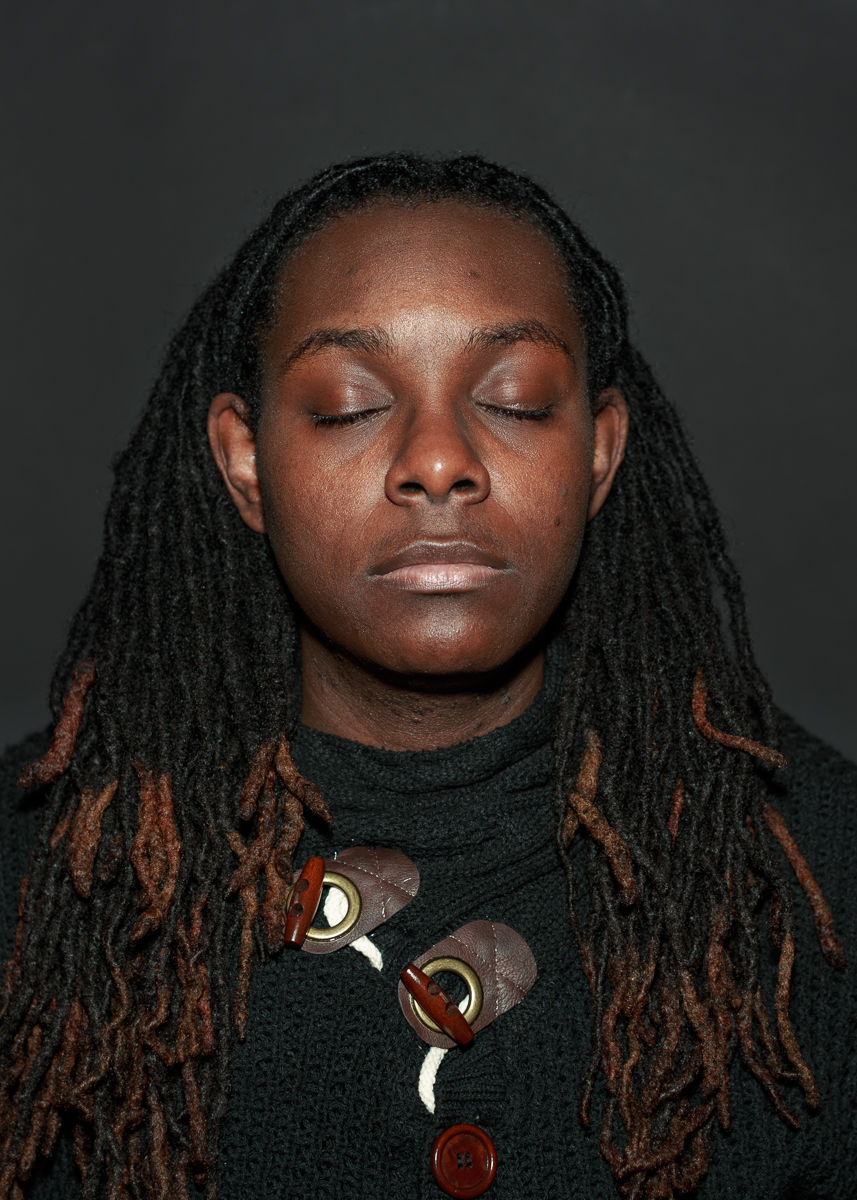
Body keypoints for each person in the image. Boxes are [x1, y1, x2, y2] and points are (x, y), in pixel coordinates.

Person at [0, 153, 854, 1200]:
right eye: (347, 404)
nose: (438, 460)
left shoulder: (819, 876)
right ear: (245, 462)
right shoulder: (39, 886)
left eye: (517, 400)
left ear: (597, 452)